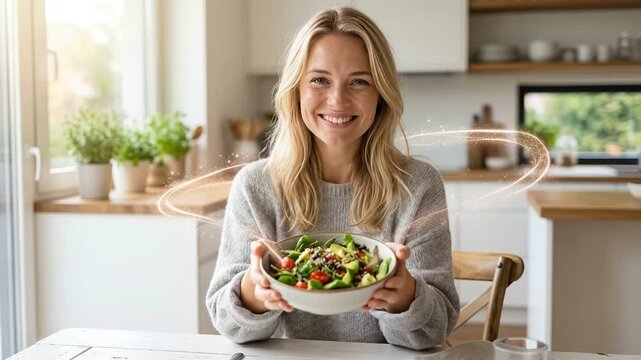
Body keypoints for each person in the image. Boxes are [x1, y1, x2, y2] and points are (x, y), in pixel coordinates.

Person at [206, 7, 459, 350]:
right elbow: (227, 322)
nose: (337, 100)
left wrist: (405, 298)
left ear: (381, 95)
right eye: (319, 80)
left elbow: (434, 331)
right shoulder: (255, 187)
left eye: (359, 81)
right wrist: (253, 291)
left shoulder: (417, 185)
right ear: (296, 91)